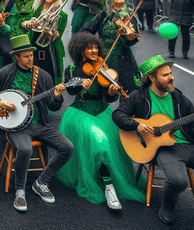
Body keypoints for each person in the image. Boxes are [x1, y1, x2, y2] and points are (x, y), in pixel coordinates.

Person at [0, 35, 73, 212]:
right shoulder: (7, 72)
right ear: (16, 57)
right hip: (17, 127)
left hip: (41, 124)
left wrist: (57, 96)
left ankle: (41, 182)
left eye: (31, 55)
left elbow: (52, 106)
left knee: (67, 147)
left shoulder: (43, 75)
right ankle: (20, 190)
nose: (30, 58)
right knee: (25, 149)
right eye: (26, 56)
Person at [112, 55, 194, 225]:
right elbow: (117, 114)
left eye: (171, 73)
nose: (171, 77)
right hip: (162, 148)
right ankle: (168, 204)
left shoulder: (179, 99)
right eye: (165, 75)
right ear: (152, 78)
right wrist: (136, 126)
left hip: (187, 145)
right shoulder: (138, 96)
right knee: (179, 181)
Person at [57, 33, 145, 210]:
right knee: (101, 144)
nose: (94, 50)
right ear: (80, 50)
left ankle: (109, 179)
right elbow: (71, 93)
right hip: (81, 112)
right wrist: (80, 84)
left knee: (114, 145)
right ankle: (109, 187)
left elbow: (108, 98)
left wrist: (112, 92)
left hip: (103, 111)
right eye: (89, 48)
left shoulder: (105, 68)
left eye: (96, 47)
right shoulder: (72, 70)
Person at [81, 0, 141, 94]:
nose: (119, 1)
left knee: (128, 91)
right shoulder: (103, 16)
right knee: (101, 92)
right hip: (103, 59)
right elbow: (85, 31)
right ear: (109, 0)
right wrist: (94, 46)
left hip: (124, 58)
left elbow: (132, 39)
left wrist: (129, 36)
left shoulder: (130, 18)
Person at [22, 0, 67, 85]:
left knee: (50, 72)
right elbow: (22, 23)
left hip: (50, 48)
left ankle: (51, 95)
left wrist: (49, 29)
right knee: (32, 71)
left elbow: (57, 35)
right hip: (33, 44)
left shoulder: (62, 15)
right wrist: (28, 24)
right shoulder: (34, 8)